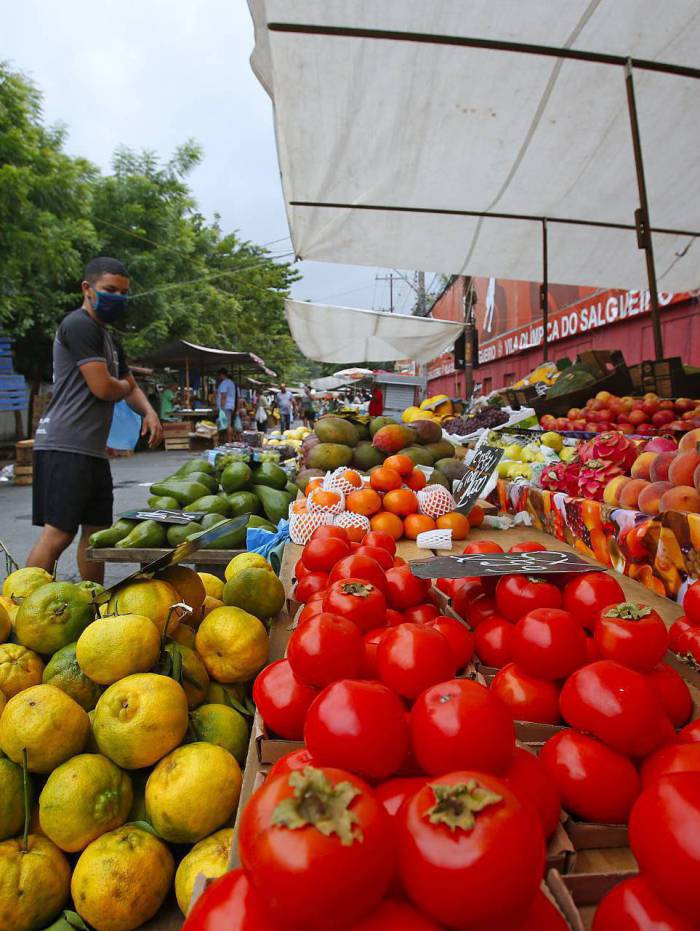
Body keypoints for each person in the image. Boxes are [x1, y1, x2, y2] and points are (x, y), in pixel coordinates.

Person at [28, 256, 162, 583]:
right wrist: (126, 385)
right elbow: (104, 387)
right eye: (109, 289)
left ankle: (92, 603)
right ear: (87, 289)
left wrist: (148, 411)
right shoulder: (78, 325)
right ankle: (17, 604)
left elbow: (128, 385)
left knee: (96, 535)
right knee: (58, 534)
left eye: (123, 292)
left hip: (91, 451)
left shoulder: (110, 339)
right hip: (65, 445)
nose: (117, 297)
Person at [216, 368, 237, 443]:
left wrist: (221, 407)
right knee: (227, 423)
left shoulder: (224, 383)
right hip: (230, 405)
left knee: (227, 424)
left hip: (225, 406)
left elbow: (223, 396)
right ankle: (227, 440)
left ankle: (229, 441)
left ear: (221, 375)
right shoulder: (231, 382)